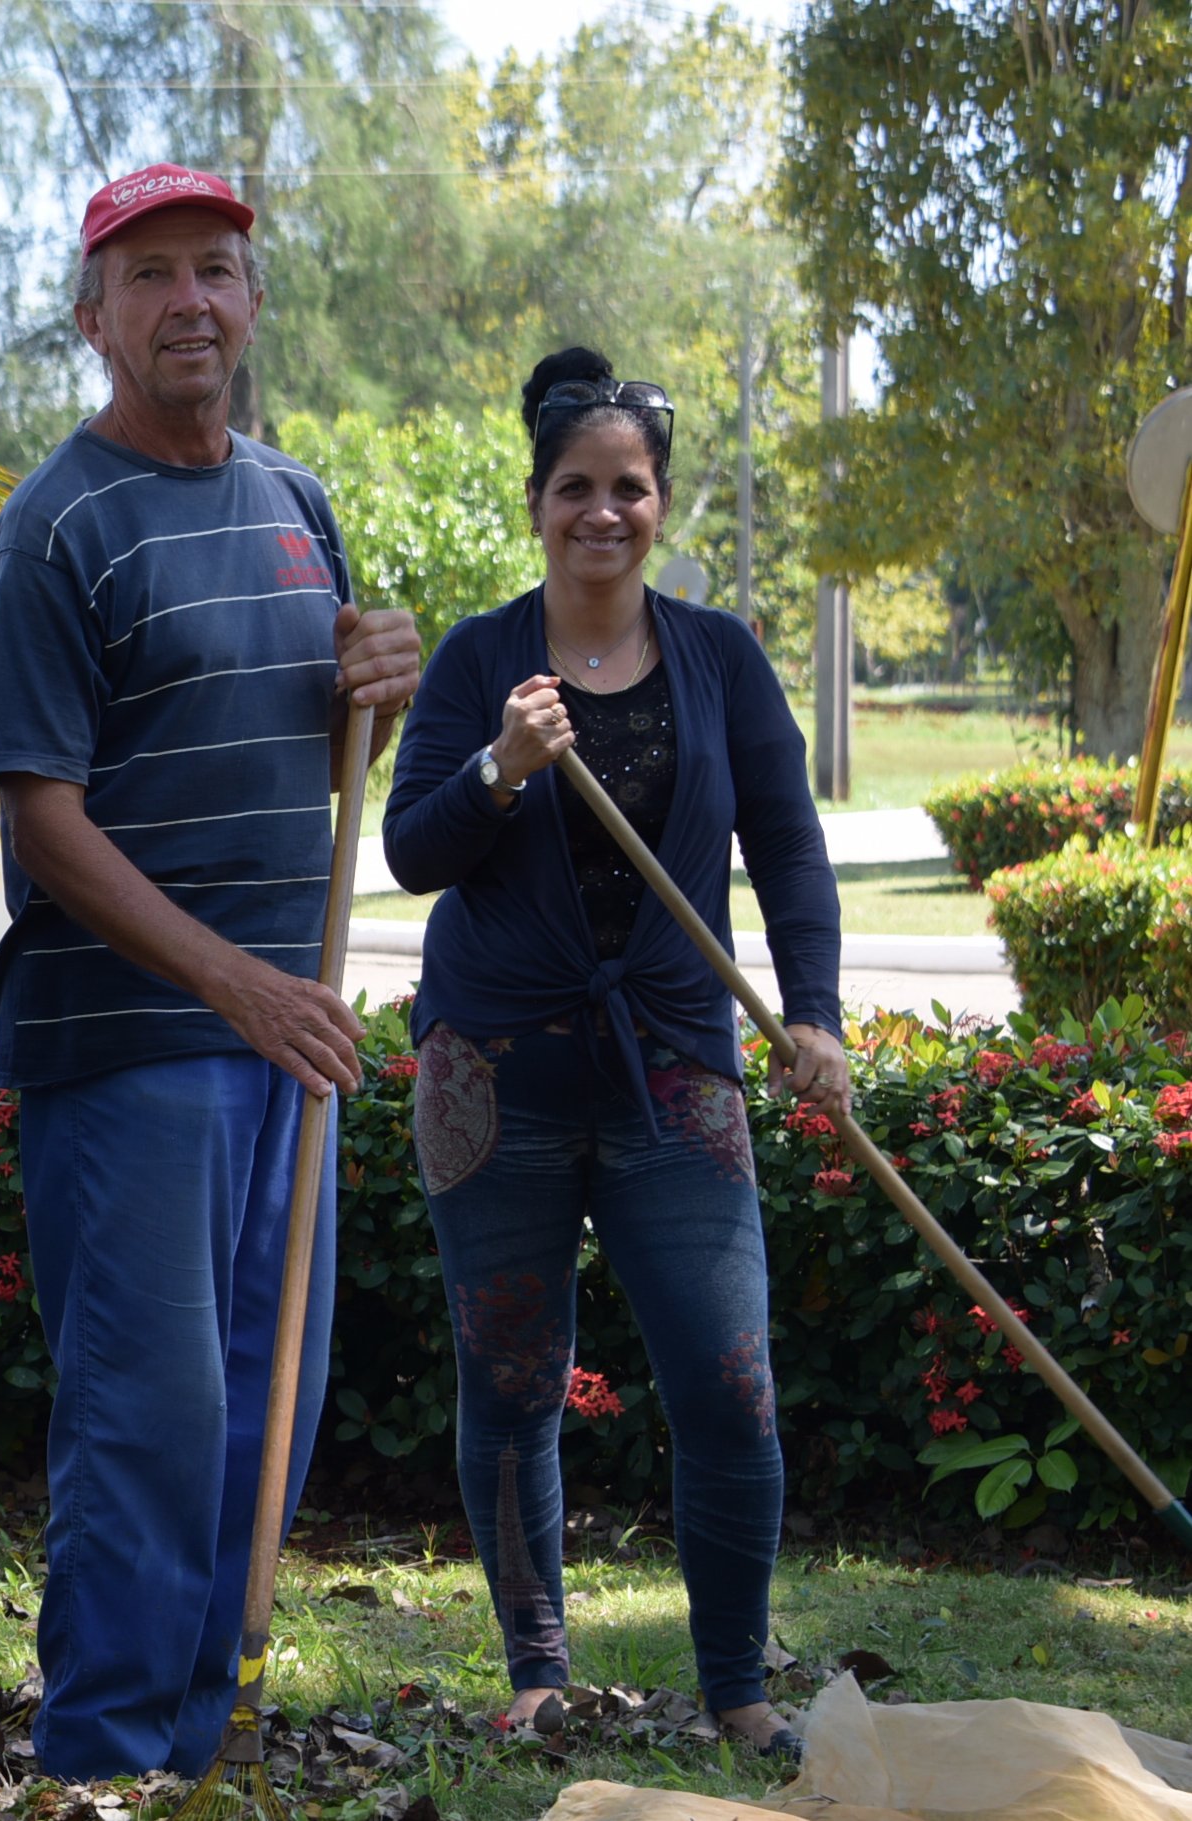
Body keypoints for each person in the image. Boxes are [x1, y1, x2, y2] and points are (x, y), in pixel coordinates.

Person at [0, 163, 422, 1779]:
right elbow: (44, 821)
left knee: (260, 1414)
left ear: (252, 300)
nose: (187, 302)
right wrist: (234, 984)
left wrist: (386, 688)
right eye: (147, 275)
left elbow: (328, 757)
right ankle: (96, 1754)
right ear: (92, 317)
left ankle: (194, 1733)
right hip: (136, 1038)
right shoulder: (53, 528)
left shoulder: (297, 504)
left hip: (283, 1033)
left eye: (214, 268)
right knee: (145, 1421)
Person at [380, 347, 843, 1759]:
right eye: (574, 486)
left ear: (658, 503)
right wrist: (496, 767)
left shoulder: (716, 658)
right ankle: (535, 1671)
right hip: (492, 1075)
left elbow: (786, 846)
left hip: (672, 1068)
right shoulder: (477, 662)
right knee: (512, 1384)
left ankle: (734, 1685)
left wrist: (810, 1013)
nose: (601, 510)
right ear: (535, 503)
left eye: (626, 487)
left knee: (725, 1377)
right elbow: (412, 851)